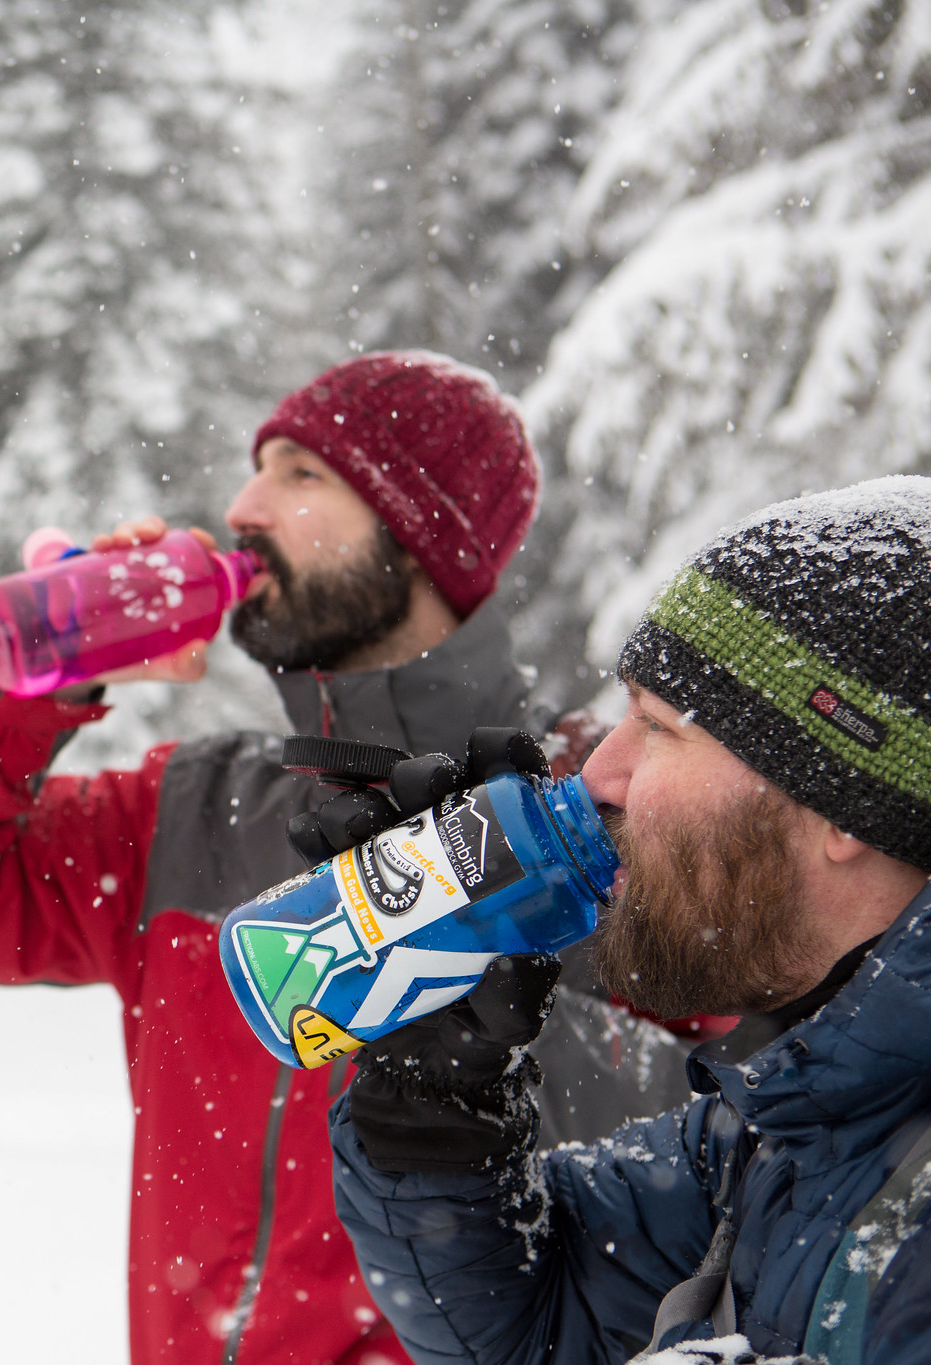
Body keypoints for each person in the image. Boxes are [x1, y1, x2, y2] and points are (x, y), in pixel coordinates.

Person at [0, 351, 691, 1365]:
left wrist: (498, 992)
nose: (242, 505)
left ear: (418, 536)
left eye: (298, 475)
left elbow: (724, 1158)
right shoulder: (186, 811)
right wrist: (36, 685)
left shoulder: (601, 814)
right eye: (255, 467)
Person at [327, 477, 931, 1364]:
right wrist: (441, 1111)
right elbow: (544, 1321)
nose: (604, 772)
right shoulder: (789, 1117)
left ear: (843, 804)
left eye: (658, 726)